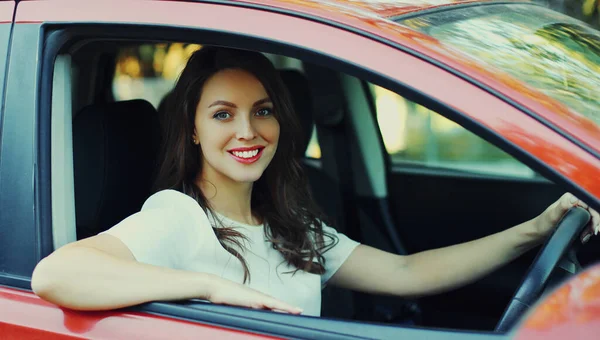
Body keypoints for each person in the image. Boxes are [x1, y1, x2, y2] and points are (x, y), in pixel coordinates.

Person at [31, 47, 600, 317]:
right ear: (193, 133)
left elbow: (407, 272)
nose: (248, 130)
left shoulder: (289, 222)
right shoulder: (178, 218)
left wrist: (536, 229)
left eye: (263, 111)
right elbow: (56, 274)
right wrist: (211, 289)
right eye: (222, 114)